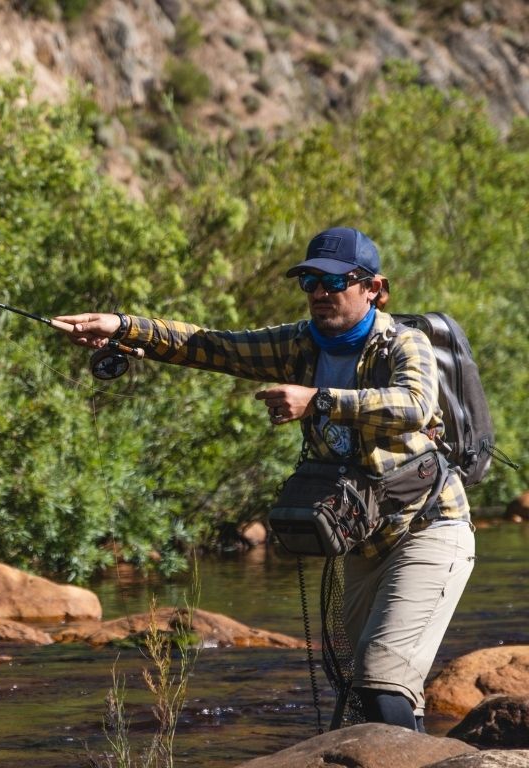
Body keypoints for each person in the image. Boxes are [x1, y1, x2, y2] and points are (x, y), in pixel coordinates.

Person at [55, 226, 475, 731]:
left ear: (373, 288)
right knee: (361, 690)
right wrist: (121, 326)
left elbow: (414, 405)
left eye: (334, 283)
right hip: (367, 545)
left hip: (430, 530)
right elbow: (210, 346)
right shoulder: (300, 343)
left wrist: (316, 399)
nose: (320, 293)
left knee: (382, 682)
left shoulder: (403, 344)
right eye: (310, 282)